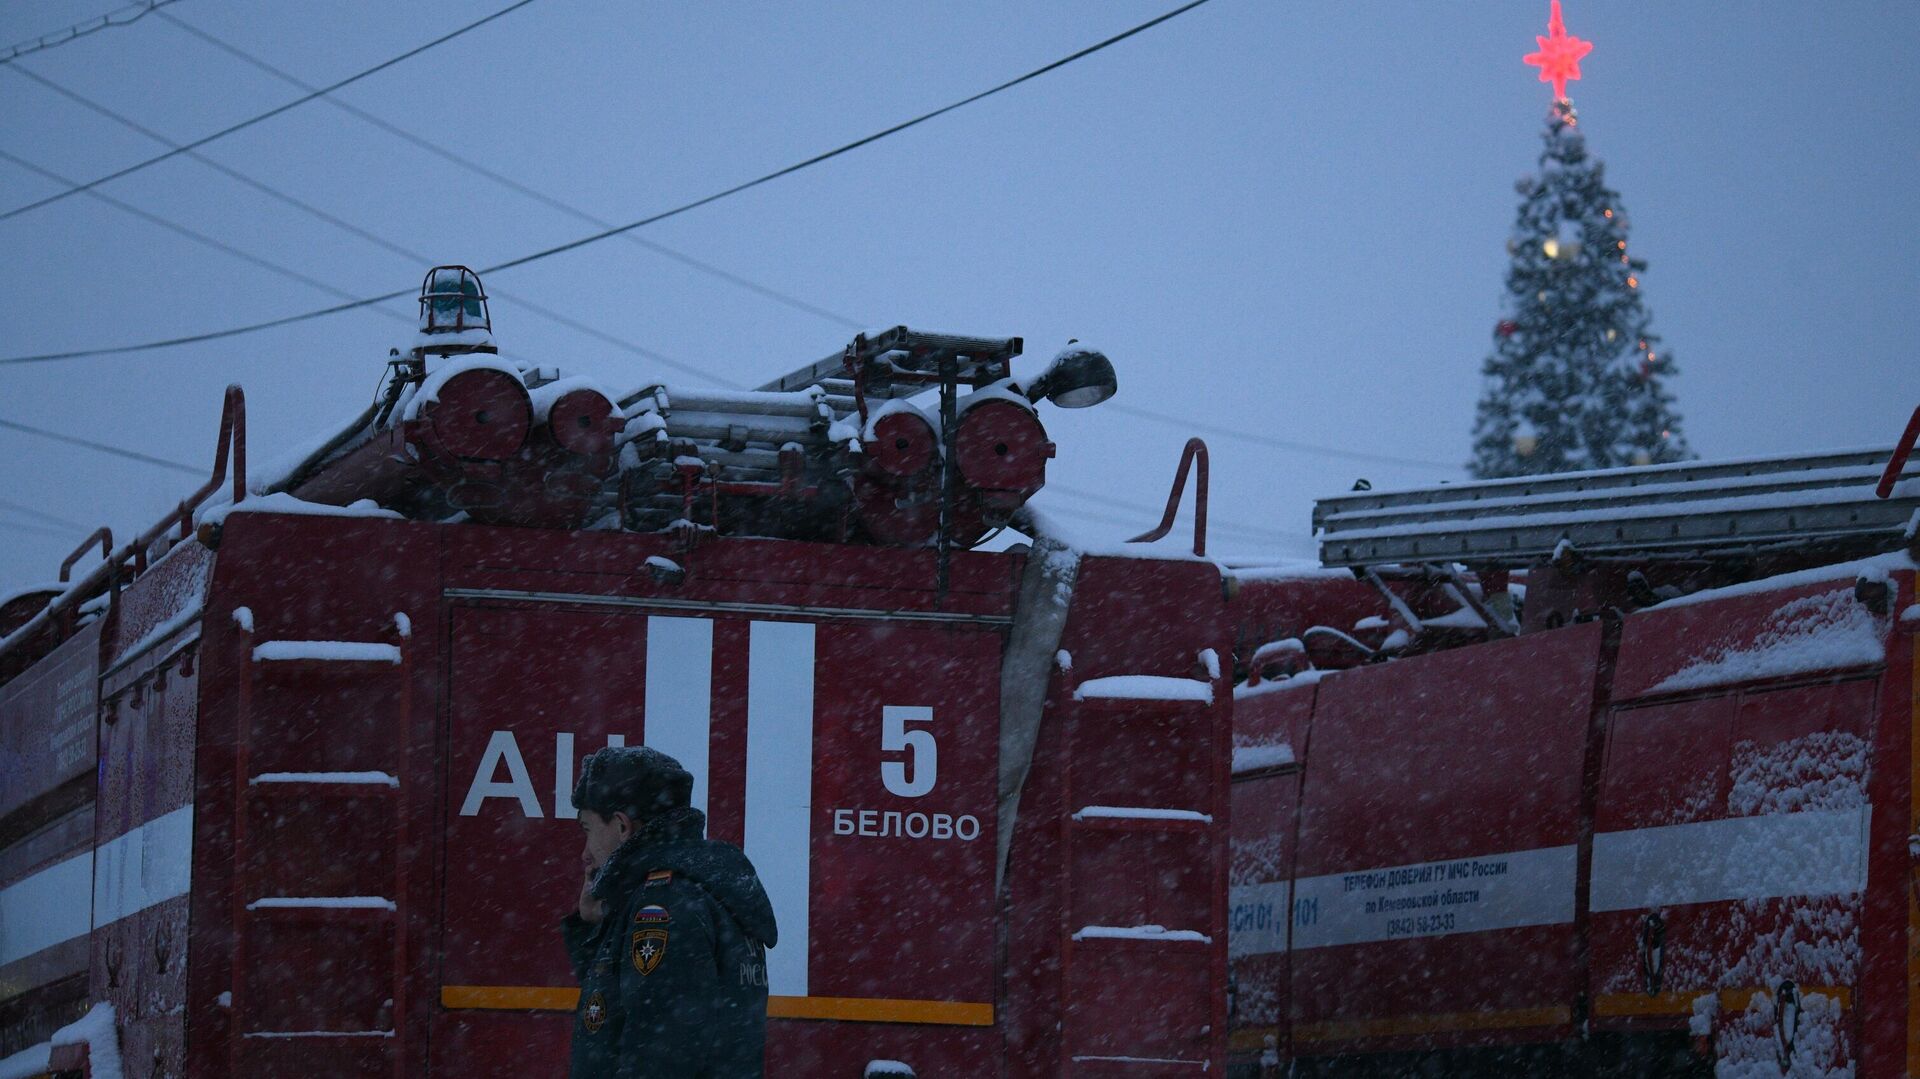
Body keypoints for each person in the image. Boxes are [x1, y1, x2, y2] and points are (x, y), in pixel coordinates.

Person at [563, 745, 778, 1078]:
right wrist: (594, 926)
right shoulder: (702, 890)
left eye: (588, 831)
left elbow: (659, 1055)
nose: (585, 854)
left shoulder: (664, 906)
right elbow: (620, 1013)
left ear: (622, 826)